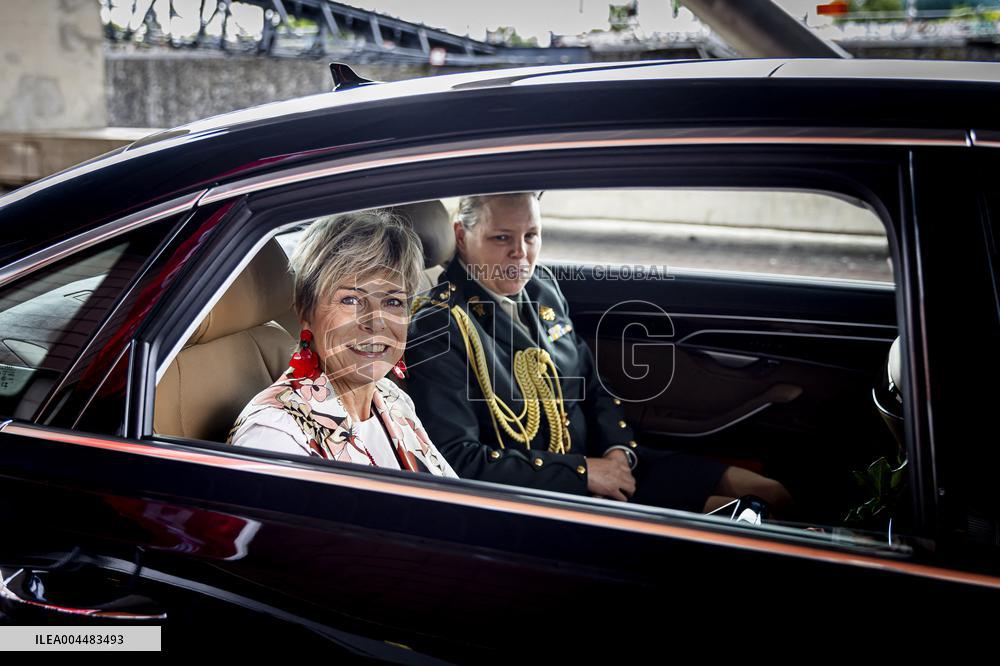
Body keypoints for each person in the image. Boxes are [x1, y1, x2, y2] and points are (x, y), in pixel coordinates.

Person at [405, 192, 791, 513]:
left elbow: (592, 383)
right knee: (743, 518)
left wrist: (618, 450)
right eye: (502, 238)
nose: (520, 254)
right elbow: (458, 459)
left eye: (532, 235)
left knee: (771, 492)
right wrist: (584, 473)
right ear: (461, 234)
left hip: (603, 462)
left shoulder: (541, 288)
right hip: (548, 490)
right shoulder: (440, 324)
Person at [229, 210, 457, 479]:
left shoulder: (392, 399)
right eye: (350, 300)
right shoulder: (275, 436)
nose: (376, 323)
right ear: (305, 311)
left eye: (393, 301)